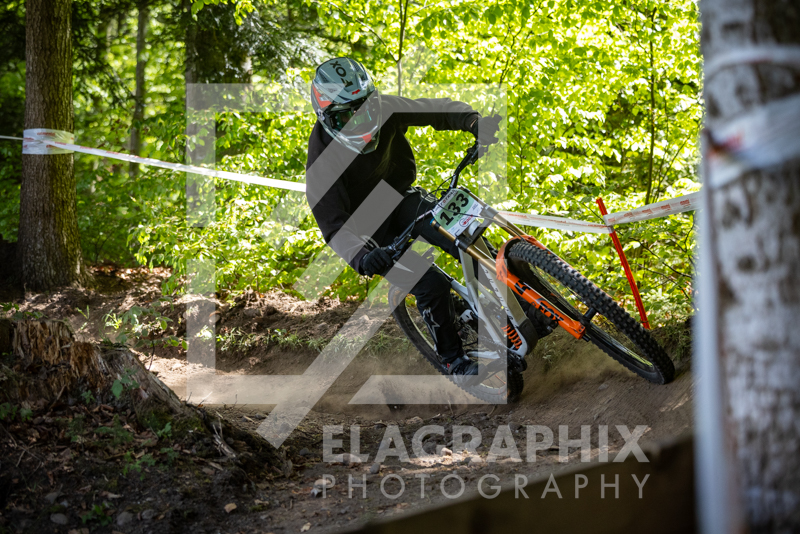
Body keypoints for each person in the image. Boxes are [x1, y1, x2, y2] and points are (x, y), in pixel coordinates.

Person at [305, 57, 503, 377]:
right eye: (346, 116)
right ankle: (453, 360)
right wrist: (362, 258)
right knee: (431, 284)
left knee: (466, 235)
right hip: (368, 232)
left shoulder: (385, 108)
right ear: (326, 116)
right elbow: (333, 226)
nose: (360, 122)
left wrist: (471, 121)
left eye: (365, 109)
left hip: (396, 196)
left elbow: (434, 109)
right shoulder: (321, 161)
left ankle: (514, 303)